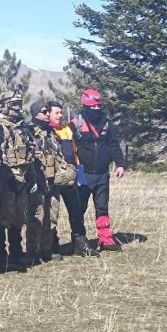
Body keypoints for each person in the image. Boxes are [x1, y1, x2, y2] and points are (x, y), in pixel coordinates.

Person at [71, 89, 125, 252]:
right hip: (82, 172)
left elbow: (113, 144)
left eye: (98, 106)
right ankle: (79, 240)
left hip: (102, 172)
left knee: (102, 206)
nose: (95, 109)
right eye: (92, 106)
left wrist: (120, 164)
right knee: (79, 207)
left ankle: (106, 238)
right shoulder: (76, 123)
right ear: (85, 106)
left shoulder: (106, 122)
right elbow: (68, 147)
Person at [0, 90, 32, 272]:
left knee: (18, 218)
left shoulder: (20, 127)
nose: (18, 108)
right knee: (2, 218)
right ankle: (0, 255)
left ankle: (16, 251)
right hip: (5, 180)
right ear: (3, 105)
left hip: (21, 178)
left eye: (20, 104)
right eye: (14, 104)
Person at [48, 100, 96, 256]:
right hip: (52, 179)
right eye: (57, 113)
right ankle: (51, 245)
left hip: (71, 178)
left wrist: (80, 177)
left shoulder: (67, 130)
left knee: (76, 210)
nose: (60, 115)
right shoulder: (45, 132)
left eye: (61, 112)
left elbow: (76, 155)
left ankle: (80, 243)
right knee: (51, 213)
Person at [27, 99, 64, 265]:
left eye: (49, 111)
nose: (48, 114)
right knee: (37, 218)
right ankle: (32, 253)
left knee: (52, 216)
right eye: (44, 111)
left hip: (53, 182)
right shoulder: (29, 133)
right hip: (37, 182)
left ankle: (46, 249)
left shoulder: (51, 133)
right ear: (35, 113)